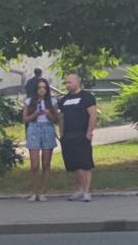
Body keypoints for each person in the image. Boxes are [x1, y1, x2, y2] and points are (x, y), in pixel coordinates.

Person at [57, 72, 98, 202]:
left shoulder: (87, 97)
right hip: (68, 136)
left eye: (70, 82)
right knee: (73, 165)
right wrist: (61, 134)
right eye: (66, 82)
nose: (68, 85)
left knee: (84, 164)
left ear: (77, 81)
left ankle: (86, 191)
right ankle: (79, 189)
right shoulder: (64, 100)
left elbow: (92, 115)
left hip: (82, 134)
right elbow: (61, 118)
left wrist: (89, 132)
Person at [21, 78, 59, 202]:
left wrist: (48, 114)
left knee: (46, 164)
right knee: (34, 165)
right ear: (35, 89)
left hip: (47, 129)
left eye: (44, 87)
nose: (42, 90)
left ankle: (43, 192)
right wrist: (36, 114)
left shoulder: (52, 101)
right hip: (33, 129)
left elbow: (56, 120)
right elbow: (25, 119)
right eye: (39, 88)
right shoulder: (29, 101)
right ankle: (34, 192)